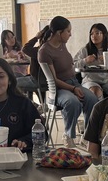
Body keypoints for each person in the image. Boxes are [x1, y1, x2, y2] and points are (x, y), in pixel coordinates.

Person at [37, 16, 98, 148]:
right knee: (73, 102)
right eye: (68, 31)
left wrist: (76, 85)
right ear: (59, 33)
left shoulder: (62, 45)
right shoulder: (44, 52)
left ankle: (87, 136)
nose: (70, 34)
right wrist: (73, 89)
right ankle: (68, 135)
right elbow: (54, 80)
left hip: (73, 83)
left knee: (93, 100)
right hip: (59, 89)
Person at [0, 57, 41, 151]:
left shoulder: (23, 104)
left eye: (1, 76)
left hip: (18, 161)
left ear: (9, 80)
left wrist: (24, 141)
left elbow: (41, 133)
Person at [73, 23, 108, 100]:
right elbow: (72, 66)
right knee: (96, 91)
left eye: (97, 33)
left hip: (107, 80)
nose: (94, 36)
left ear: (104, 35)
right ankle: (99, 111)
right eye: (91, 34)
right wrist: (85, 61)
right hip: (90, 80)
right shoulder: (85, 50)